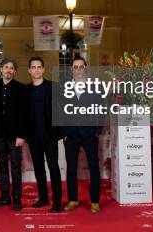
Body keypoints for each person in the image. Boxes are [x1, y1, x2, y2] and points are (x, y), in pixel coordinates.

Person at [62, 57, 102, 214]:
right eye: (75, 67)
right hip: (70, 134)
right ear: (72, 69)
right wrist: (64, 132)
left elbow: (102, 109)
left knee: (94, 167)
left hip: (89, 133)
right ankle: (73, 200)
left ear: (85, 68)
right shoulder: (65, 87)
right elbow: (60, 110)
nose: (78, 69)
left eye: (81, 66)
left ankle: (95, 201)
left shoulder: (95, 87)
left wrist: (97, 129)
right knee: (71, 168)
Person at [0, 57, 27, 211]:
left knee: (16, 168)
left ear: (15, 71)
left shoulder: (21, 88)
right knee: (2, 167)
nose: (8, 70)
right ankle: (5, 197)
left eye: (11, 68)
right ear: (1, 70)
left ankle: (16, 199)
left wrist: (21, 135)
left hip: (14, 135)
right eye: (6, 67)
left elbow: (24, 115)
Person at [26, 57, 62, 212]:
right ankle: (43, 198)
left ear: (43, 69)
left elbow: (62, 110)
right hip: (34, 137)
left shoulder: (53, 87)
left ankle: (57, 201)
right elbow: (23, 115)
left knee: (54, 168)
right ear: (29, 70)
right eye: (33, 67)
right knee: (39, 168)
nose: (36, 70)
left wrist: (60, 133)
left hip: (50, 136)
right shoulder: (25, 90)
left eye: (39, 67)